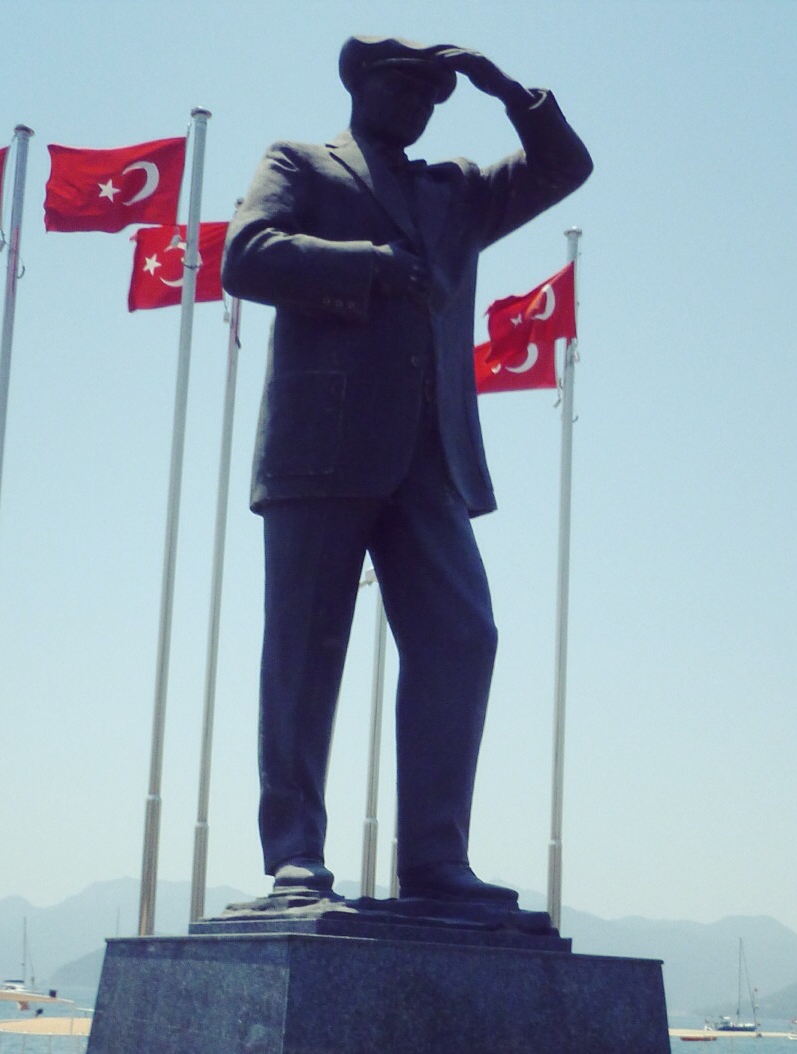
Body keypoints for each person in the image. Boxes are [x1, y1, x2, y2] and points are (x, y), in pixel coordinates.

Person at [221, 36, 592, 907]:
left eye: (432, 96)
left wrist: (506, 89)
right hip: (322, 445)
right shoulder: (302, 164)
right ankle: (294, 852)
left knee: (463, 637)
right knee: (306, 651)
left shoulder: (455, 191)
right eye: (403, 88)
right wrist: (372, 268)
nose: (419, 105)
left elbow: (564, 167)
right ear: (359, 87)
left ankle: (434, 860)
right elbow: (246, 254)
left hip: (431, 455)